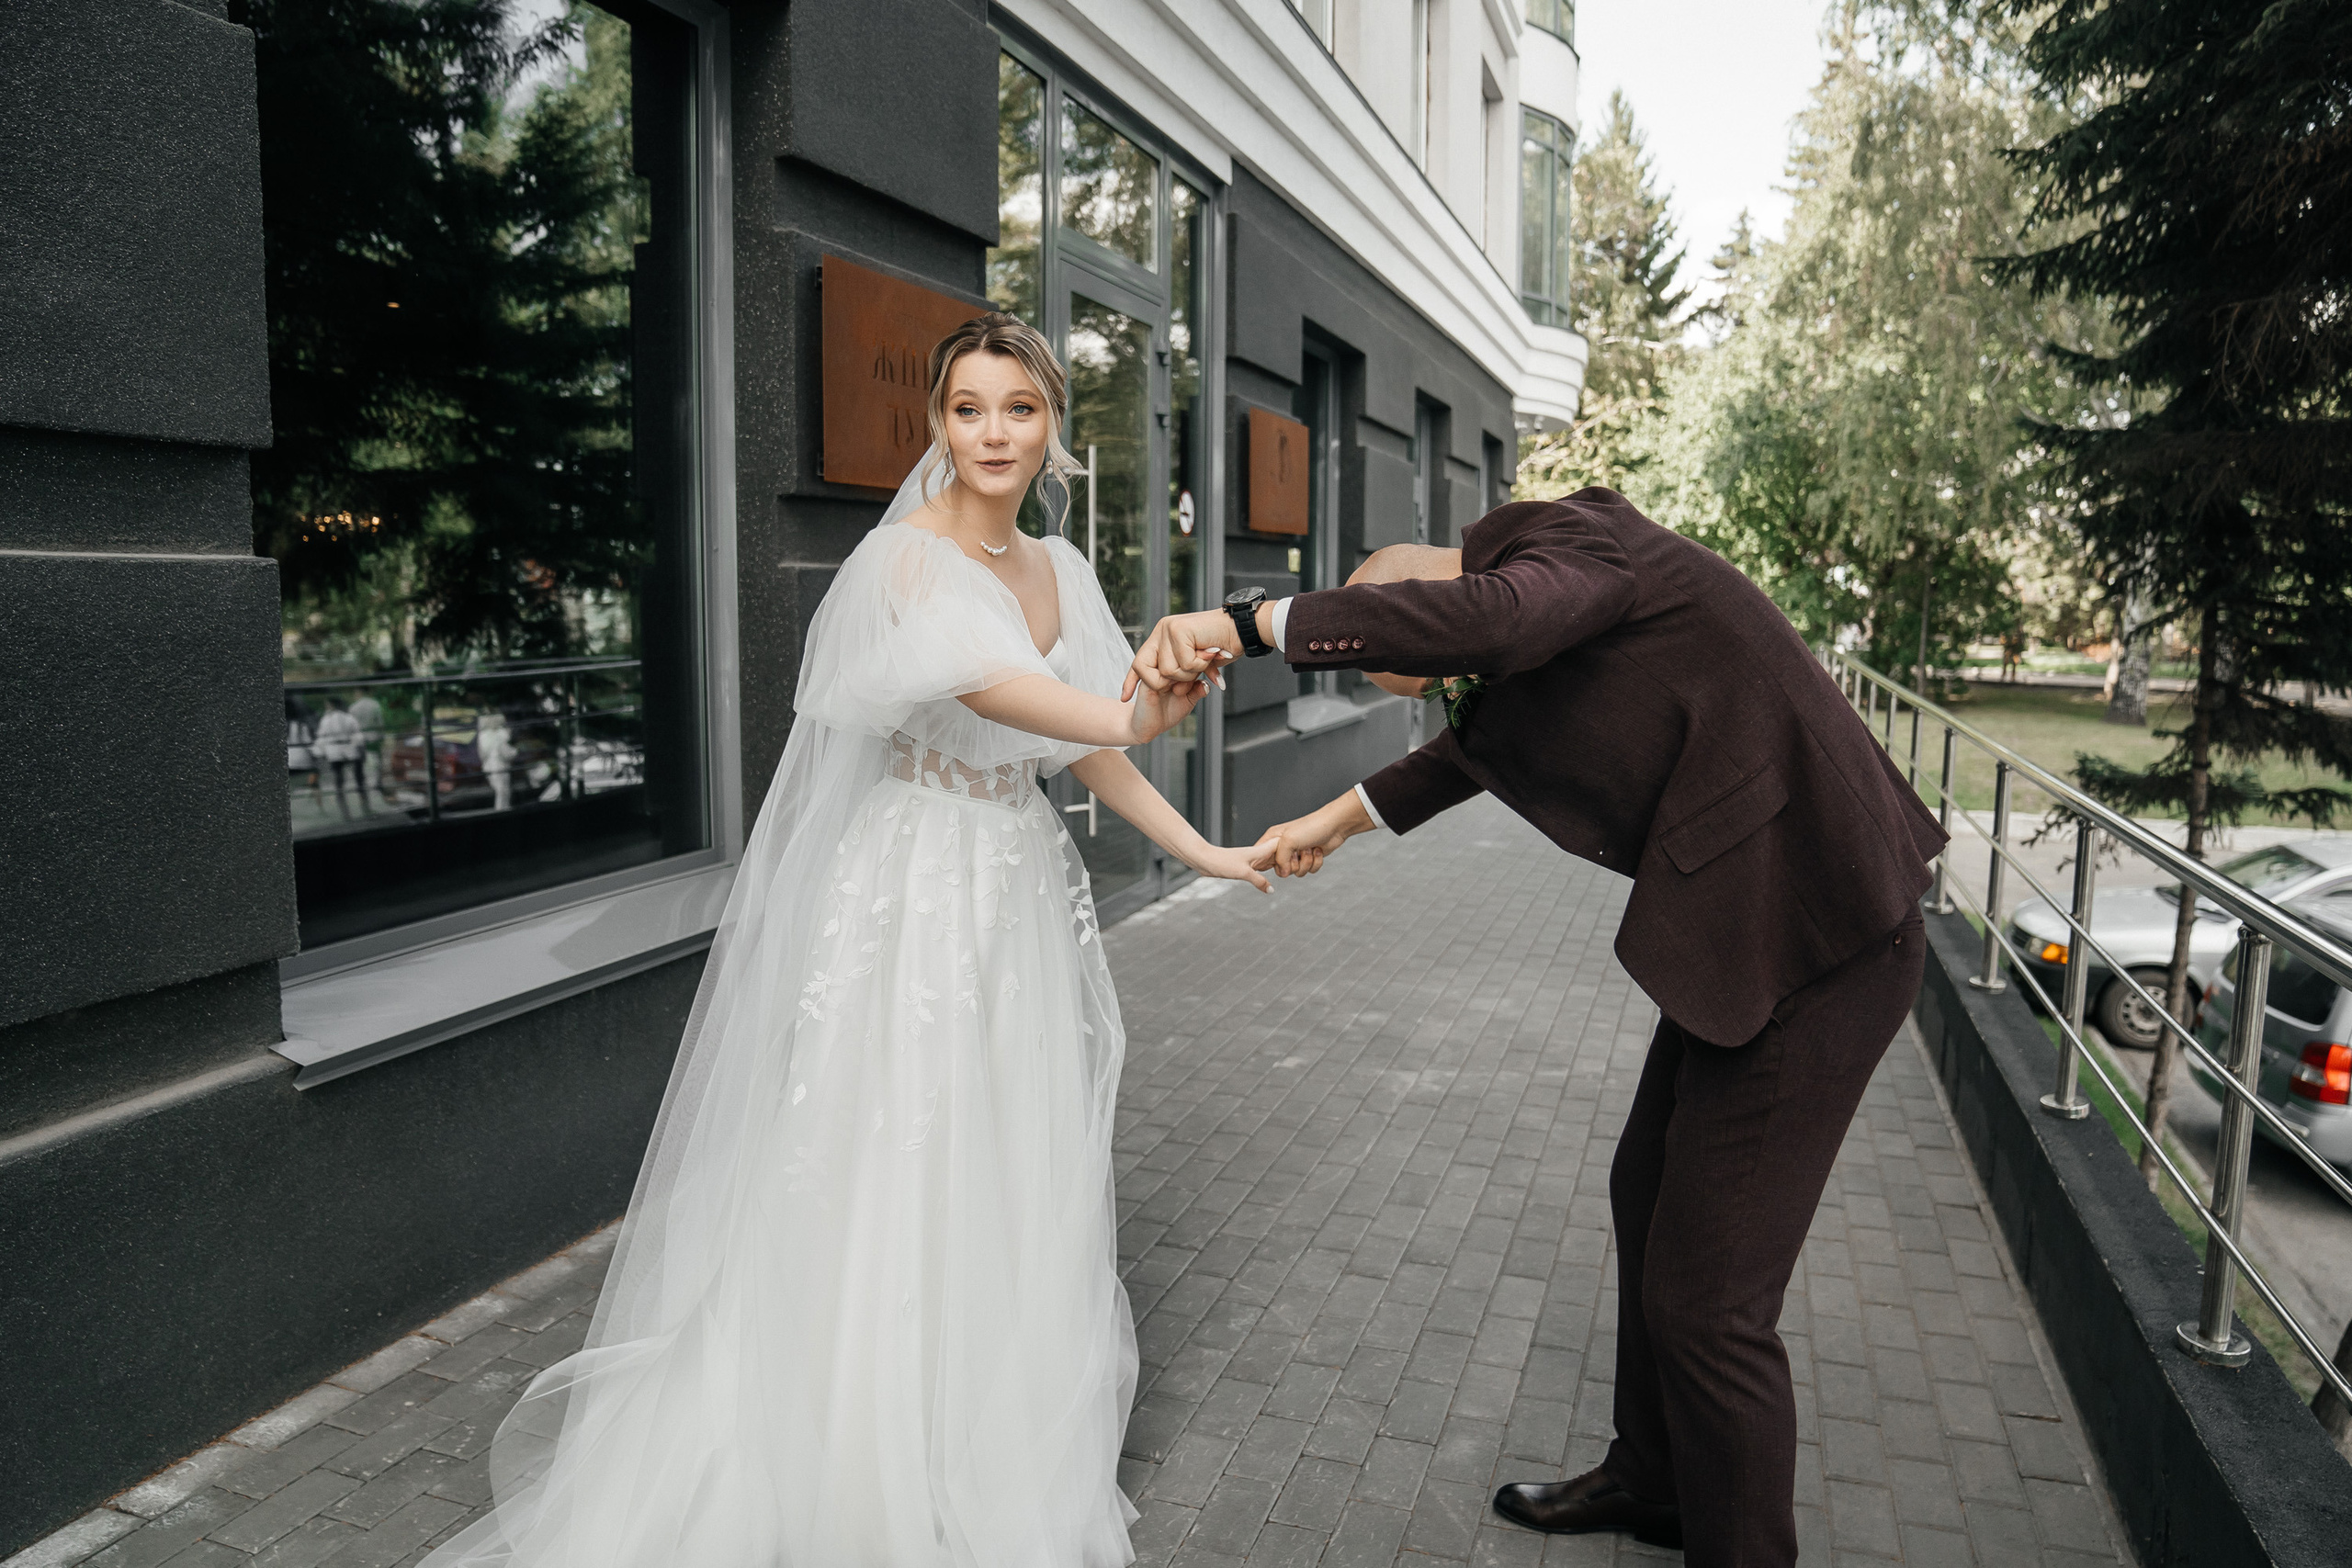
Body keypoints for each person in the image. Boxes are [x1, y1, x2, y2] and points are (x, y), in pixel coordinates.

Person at [421, 313, 1269, 1568]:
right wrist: (1143, 704)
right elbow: (1017, 696)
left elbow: (1085, 745)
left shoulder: (1061, 567)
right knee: (890, 1145)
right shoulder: (903, 563)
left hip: (1015, 884)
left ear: (1054, 427)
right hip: (915, 882)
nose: (992, 433)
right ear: (938, 422)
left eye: (1018, 408)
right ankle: (855, 1451)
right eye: (968, 408)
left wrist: (1204, 849)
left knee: (1006, 1146)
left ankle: (974, 1429)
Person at [1127, 491, 1947, 1568]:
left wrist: (1252, 624)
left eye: (1424, 673)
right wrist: (1334, 820)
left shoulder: (1568, 542)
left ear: (1426, 594)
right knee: (1643, 1190)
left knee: (1710, 1310)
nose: (1445, 694)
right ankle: (1655, 1481)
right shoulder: (1520, 638)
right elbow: (1468, 752)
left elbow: (1493, 623)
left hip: (1822, 940)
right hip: (1749, 940)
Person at [314, 697, 366, 817]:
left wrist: (321, 752)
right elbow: (357, 734)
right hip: (349, 749)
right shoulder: (348, 717)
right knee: (357, 774)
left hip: (335, 751)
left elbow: (322, 736)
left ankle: (341, 795)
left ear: (331, 705)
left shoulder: (326, 720)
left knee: (338, 775)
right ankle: (361, 794)